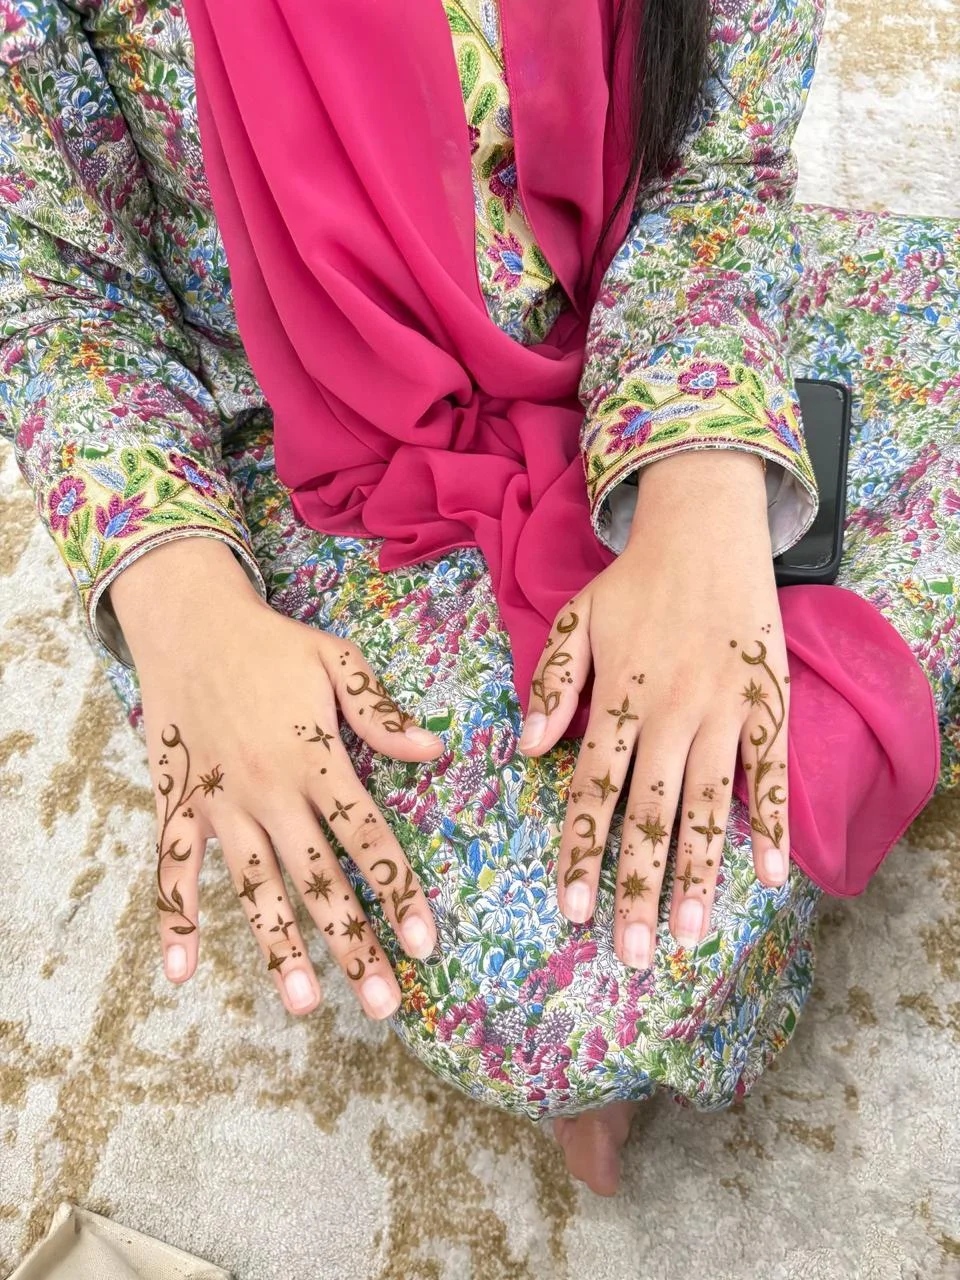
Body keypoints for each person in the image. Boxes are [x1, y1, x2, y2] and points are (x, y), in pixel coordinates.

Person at [0, 0, 956, 1197]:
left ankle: (787, 764)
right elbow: (55, 290)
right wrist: (187, 606)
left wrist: (703, 481)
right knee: (578, 983)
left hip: (640, 296)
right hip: (307, 446)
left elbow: (714, 162)